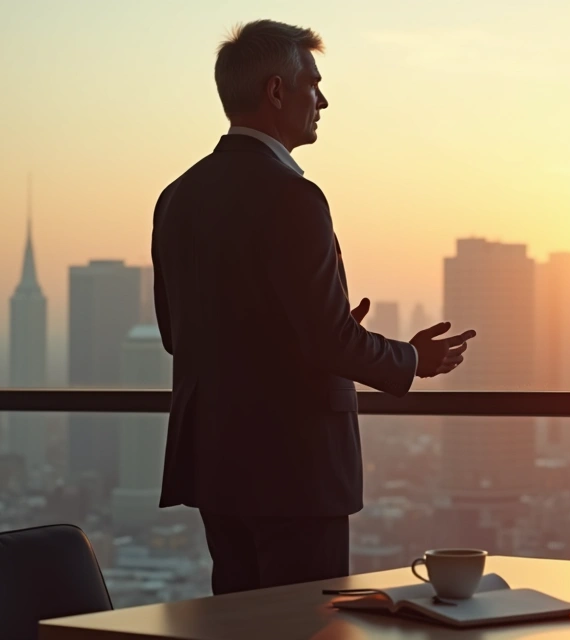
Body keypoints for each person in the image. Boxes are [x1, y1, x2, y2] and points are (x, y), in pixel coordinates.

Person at [151, 19, 476, 595]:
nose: (323, 100)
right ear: (277, 91)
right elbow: (328, 341)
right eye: (313, 84)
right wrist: (411, 358)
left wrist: (306, 334)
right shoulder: (293, 196)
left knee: (240, 624)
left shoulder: (178, 196)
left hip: (216, 463)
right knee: (304, 621)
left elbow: (182, 334)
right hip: (295, 467)